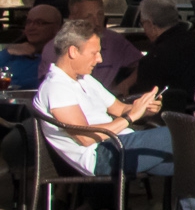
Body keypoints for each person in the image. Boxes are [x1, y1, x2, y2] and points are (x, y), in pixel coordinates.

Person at [33, 19, 170, 179]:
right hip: (101, 155)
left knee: (192, 161)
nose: (99, 59)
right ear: (73, 52)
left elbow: (119, 109)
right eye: (94, 53)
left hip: (121, 143)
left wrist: (144, 108)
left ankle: (193, 205)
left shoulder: (84, 79)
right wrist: (131, 116)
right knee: (182, 134)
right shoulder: (56, 87)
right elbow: (85, 137)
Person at [39, 0, 142, 93]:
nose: (96, 22)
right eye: (88, 16)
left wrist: (125, 85)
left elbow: (143, 64)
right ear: (73, 19)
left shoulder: (114, 40)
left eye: (100, 15)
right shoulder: (55, 48)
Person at [130, 0, 195, 114]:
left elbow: (140, 98)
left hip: (168, 119)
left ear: (150, 25)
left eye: (142, 24)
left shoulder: (156, 56)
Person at [3, 3, 62, 89]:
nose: (31, 27)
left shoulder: (60, 57)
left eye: (39, 23)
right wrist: (7, 52)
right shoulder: (14, 53)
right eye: (28, 22)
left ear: (57, 28)